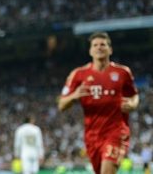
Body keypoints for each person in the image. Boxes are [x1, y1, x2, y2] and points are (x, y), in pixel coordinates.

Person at [58, 31, 139, 174]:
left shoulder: (122, 73)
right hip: (92, 136)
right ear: (90, 51)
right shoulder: (78, 74)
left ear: (110, 49)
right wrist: (74, 95)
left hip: (116, 132)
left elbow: (134, 96)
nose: (99, 47)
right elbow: (62, 105)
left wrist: (132, 104)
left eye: (103, 44)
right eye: (95, 45)